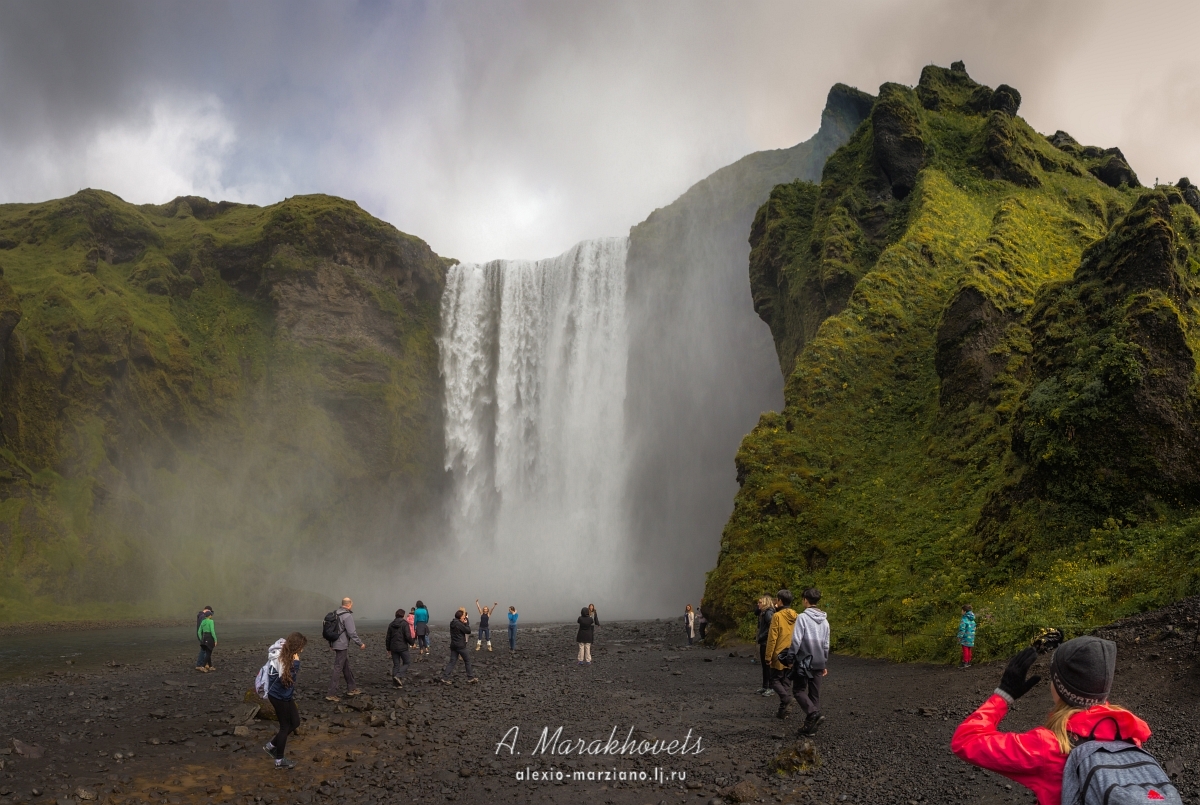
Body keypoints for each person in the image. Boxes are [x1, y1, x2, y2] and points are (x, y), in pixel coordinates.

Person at [951, 636, 1152, 805]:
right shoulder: (1130, 733)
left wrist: (1003, 695)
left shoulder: (1048, 747)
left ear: (1059, 686)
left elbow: (965, 740)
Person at [789, 587, 830, 735]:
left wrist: (791, 657)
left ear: (805, 600)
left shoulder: (802, 618)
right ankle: (810, 728)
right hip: (819, 660)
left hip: (804, 661)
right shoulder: (825, 621)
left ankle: (813, 714)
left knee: (798, 690)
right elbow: (826, 644)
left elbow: (796, 640)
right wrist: (824, 662)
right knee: (814, 694)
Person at [263, 632, 307, 770]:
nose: (302, 650)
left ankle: (271, 746)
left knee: (295, 722)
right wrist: (296, 663)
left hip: (281, 694)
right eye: (301, 647)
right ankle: (279, 760)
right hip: (279, 696)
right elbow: (287, 682)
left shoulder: (283, 651)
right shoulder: (287, 659)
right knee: (285, 726)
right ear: (296, 646)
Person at [764, 589, 798, 720]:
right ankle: (782, 711)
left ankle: (786, 699)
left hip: (779, 653)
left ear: (780, 601)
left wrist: (768, 657)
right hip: (792, 652)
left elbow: (772, 637)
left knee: (774, 681)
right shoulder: (796, 615)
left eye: (777, 599)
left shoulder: (777, 616)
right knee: (786, 681)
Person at [326, 597, 366, 702]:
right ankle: (331, 693)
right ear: (349, 605)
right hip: (342, 644)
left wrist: (331, 643)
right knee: (338, 668)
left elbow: (331, 630)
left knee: (345, 666)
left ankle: (351, 688)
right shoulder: (347, 616)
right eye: (351, 604)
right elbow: (351, 632)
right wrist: (360, 643)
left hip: (335, 643)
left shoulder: (335, 613)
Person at [441, 608, 478, 683]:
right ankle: (470, 678)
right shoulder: (459, 624)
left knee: (452, 661)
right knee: (467, 660)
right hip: (460, 645)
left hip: (453, 645)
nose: (464, 617)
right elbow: (468, 631)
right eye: (463, 616)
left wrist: (463, 622)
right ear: (460, 617)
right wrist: (466, 623)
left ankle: (445, 678)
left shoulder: (453, 622)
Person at [386, 608, 414, 688]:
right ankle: (398, 676)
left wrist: (388, 648)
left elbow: (388, 637)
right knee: (407, 662)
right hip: (402, 647)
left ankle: (396, 684)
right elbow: (407, 636)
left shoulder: (391, 624)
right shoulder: (405, 624)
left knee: (396, 665)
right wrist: (412, 643)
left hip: (393, 647)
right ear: (403, 615)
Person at [755, 595, 776, 695]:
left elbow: (771, 628)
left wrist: (761, 636)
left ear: (765, 603)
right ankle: (765, 686)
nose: (758, 604)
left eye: (760, 602)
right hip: (764, 641)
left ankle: (771, 687)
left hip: (766, 642)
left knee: (768, 665)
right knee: (764, 665)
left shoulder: (768, 613)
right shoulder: (764, 613)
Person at [196, 608, 217, 672]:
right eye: (211, 615)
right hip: (209, 637)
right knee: (209, 653)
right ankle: (202, 666)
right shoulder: (211, 621)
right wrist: (215, 640)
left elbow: (199, 632)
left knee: (207, 652)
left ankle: (210, 666)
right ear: (209, 616)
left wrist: (201, 638)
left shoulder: (203, 621)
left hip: (204, 637)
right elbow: (212, 631)